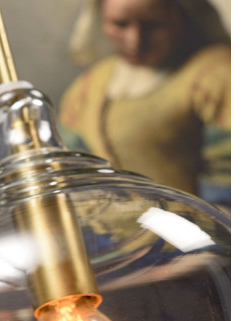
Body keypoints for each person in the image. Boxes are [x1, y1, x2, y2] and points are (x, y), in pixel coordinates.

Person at [59, 0, 231, 207]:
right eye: (120, 24)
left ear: (180, 16)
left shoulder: (216, 74)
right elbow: (71, 170)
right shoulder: (88, 86)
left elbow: (228, 175)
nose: (135, 40)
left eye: (153, 25)